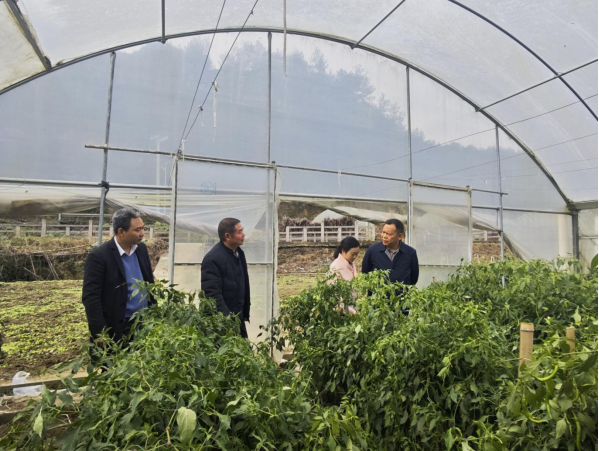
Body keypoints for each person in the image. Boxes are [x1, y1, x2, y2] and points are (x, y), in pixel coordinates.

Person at [82, 207, 155, 346]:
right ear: (121, 231)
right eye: (137, 230)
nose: (142, 233)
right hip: (117, 325)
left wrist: (154, 313)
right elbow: (91, 297)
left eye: (143, 228)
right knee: (116, 358)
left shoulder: (141, 249)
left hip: (143, 322)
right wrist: (100, 332)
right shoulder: (99, 257)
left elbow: (149, 282)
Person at [201, 218, 251, 339]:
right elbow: (212, 295)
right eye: (239, 232)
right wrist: (227, 322)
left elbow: (243, 284)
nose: (243, 235)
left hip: (238, 318)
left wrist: (243, 312)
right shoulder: (213, 259)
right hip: (222, 324)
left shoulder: (239, 253)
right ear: (227, 236)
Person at [362, 219, 419, 287]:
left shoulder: (410, 253)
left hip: (402, 294)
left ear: (400, 236)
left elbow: (413, 279)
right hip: (378, 293)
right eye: (383, 232)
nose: (384, 236)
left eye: (389, 234)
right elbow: (365, 274)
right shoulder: (372, 251)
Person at [329, 236, 361, 315]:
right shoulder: (335, 267)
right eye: (353, 254)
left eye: (357, 254)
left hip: (352, 308)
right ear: (343, 251)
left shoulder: (352, 264)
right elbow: (334, 296)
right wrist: (351, 311)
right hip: (341, 311)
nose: (355, 257)